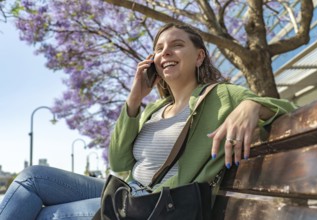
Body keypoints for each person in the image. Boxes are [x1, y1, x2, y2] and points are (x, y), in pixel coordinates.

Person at [0, 23, 296, 219]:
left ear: (199, 57)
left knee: (46, 215)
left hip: (157, 204)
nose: (164, 51)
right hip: (128, 190)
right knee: (32, 177)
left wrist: (251, 105)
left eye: (177, 45)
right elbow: (119, 161)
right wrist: (133, 99)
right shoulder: (155, 108)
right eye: (159, 48)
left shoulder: (221, 95)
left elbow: (288, 110)